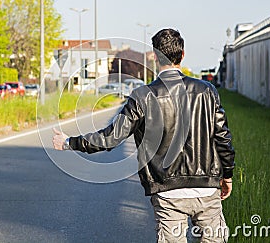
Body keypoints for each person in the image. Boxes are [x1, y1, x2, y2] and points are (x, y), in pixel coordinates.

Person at [53, 28, 235, 243]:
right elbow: (223, 137)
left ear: (155, 56)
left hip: (167, 193)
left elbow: (110, 138)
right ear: (182, 55)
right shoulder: (206, 90)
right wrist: (227, 175)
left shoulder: (142, 96)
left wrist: (68, 142)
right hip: (206, 188)